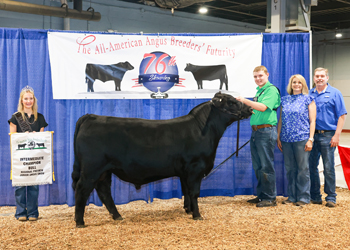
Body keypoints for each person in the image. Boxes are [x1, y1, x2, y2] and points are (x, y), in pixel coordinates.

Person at [236, 66, 281, 207]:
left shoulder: (271, 90)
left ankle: (270, 198)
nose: (258, 79)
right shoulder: (259, 91)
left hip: (266, 131)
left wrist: (244, 100)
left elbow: (262, 107)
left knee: (266, 165)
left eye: (260, 76)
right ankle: (262, 195)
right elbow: (257, 108)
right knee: (258, 166)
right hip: (256, 132)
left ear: (267, 75)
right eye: (255, 76)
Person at [8, 86, 48, 221]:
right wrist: (22, 136)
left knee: (33, 185)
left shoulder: (40, 118)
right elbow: (12, 138)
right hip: (20, 157)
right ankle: (20, 213)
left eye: (31, 98)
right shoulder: (16, 117)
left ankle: (32, 212)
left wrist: (37, 135)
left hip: (35, 158)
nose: (28, 101)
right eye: (26, 99)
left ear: (34, 100)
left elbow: (43, 139)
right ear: (21, 100)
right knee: (20, 186)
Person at [308, 67, 347, 208]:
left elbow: (342, 115)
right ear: (313, 78)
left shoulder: (335, 93)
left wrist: (337, 135)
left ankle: (331, 197)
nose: (319, 78)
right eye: (317, 76)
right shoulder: (309, 94)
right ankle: (315, 196)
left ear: (327, 78)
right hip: (312, 136)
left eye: (322, 76)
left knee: (329, 167)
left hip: (328, 135)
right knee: (311, 167)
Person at [277, 74, 316, 206]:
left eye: (299, 82)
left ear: (303, 85)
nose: (296, 85)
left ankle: (304, 197)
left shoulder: (308, 99)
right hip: (286, 139)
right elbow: (281, 119)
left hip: (302, 138)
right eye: (294, 82)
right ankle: (292, 196)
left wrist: (310, 139)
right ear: (291, 84)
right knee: (290, 169)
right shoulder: (284, 100)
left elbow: (312, 121)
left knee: (302, 169)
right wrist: (278, 136)